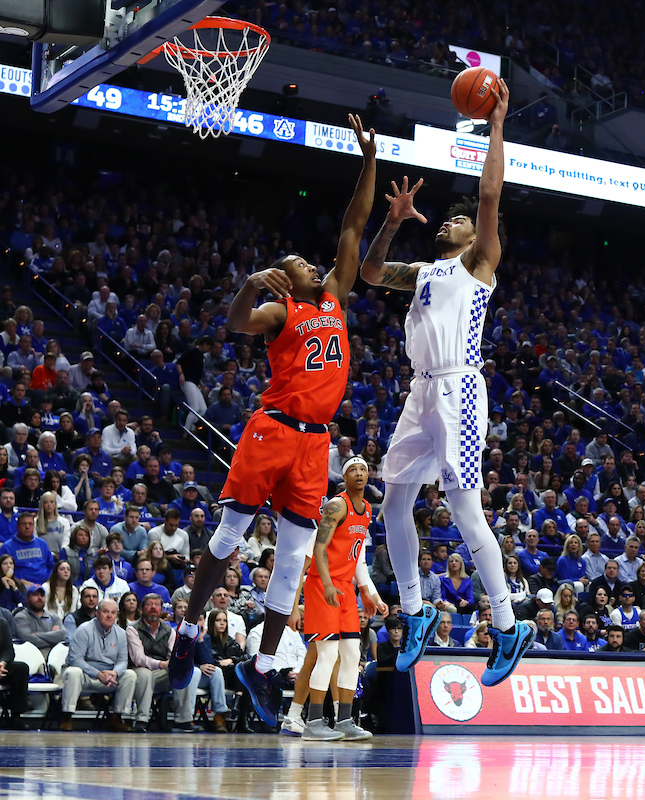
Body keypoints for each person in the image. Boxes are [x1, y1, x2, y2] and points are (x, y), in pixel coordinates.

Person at [169, 116, 379, 730]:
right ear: (288, 281)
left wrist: (368, 160)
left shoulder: (335, 295)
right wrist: (246, 287)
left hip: (316, 445)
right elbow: (235, 323)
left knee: (290, 560)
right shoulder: (280, 311)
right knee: (230, 535)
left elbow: (353, 225)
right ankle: (188, 629)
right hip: (272, 429)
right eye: (300, 265)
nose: (314, 266)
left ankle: (260, 669)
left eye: (311, 264)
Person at [365, 80, 532, 688]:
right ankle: (414, 611)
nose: (457, 219)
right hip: (420, 391)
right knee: (394, 499)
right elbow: (371, 271)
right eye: (453, 217)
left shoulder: (478, 262)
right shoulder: (425, 270)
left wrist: (496, 125)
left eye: (463, 220)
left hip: (459, 388)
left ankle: (508, 624)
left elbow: (489, 195)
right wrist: (391, 220)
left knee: (464, 508)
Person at [291, 457, 383, 742]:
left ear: (369, 476)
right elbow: (316, 552)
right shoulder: (336, 505)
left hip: (345, 589)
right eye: (353, 469)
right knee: (327, 655)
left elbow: (357, 558)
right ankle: (313, 721)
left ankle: (345, 720)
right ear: (344, 476)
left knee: (353, 654)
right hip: (322, 586)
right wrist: (296, 605)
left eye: (363, 469)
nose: (359, 473)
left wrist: (370, 593)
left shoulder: (366, 510)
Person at [60, 598, 137, 731]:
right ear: (97, 613)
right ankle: (67, 717)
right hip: (86, 675)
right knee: (73, 672)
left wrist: (115, 673)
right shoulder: (84, 630)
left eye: (113, 612)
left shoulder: (121, 633)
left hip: (109, 677)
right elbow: (75, 659)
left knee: (130, 675)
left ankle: (117, 717)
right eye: (105, 611)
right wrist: (97, 674)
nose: (109, 616)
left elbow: (123, 661)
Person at [129, 593, 201, 732]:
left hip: (161, 673)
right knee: (145, 674)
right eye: (149, 604)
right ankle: (141, 720)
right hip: (137, 671)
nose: (153, 608)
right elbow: (139, 659)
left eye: (157, 605)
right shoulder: (133, 629)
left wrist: (173, 664)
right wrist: (162, 664)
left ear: (161, 609)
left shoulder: (169, 630)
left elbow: (172, 655)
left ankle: (183, 720)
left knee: (181, 672)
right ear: (142, 609)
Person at [0, 610, 30, 729]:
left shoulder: (2, 623)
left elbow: (8, 650)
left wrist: (2, 663)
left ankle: (15, 717)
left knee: (20, 668)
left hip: (0, 667)